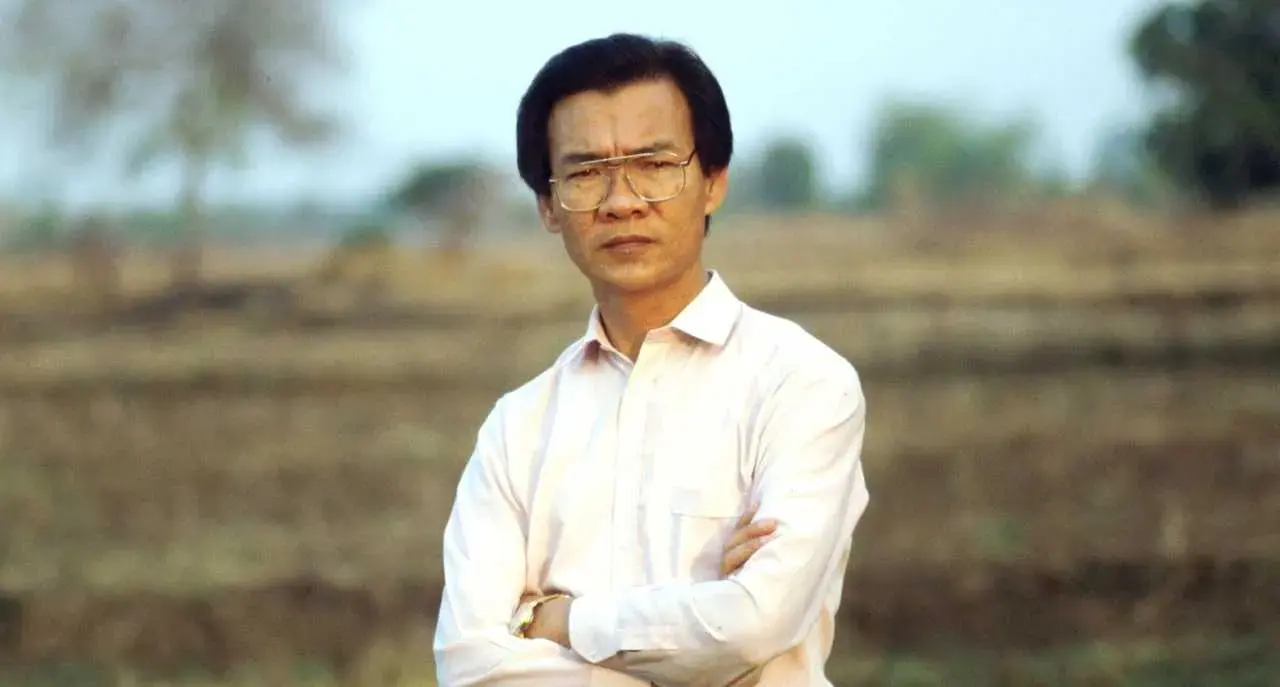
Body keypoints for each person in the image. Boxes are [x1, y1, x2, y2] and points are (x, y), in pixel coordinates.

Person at [433, 32, 870, 687]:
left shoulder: (803, 385)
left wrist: (562, 621)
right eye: (586, 173)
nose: (622, 200)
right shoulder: (516, 428)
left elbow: (756, 622)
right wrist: (704, 622)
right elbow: (469, 665)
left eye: (655, 164)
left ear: (713, 182)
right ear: (548, 205)